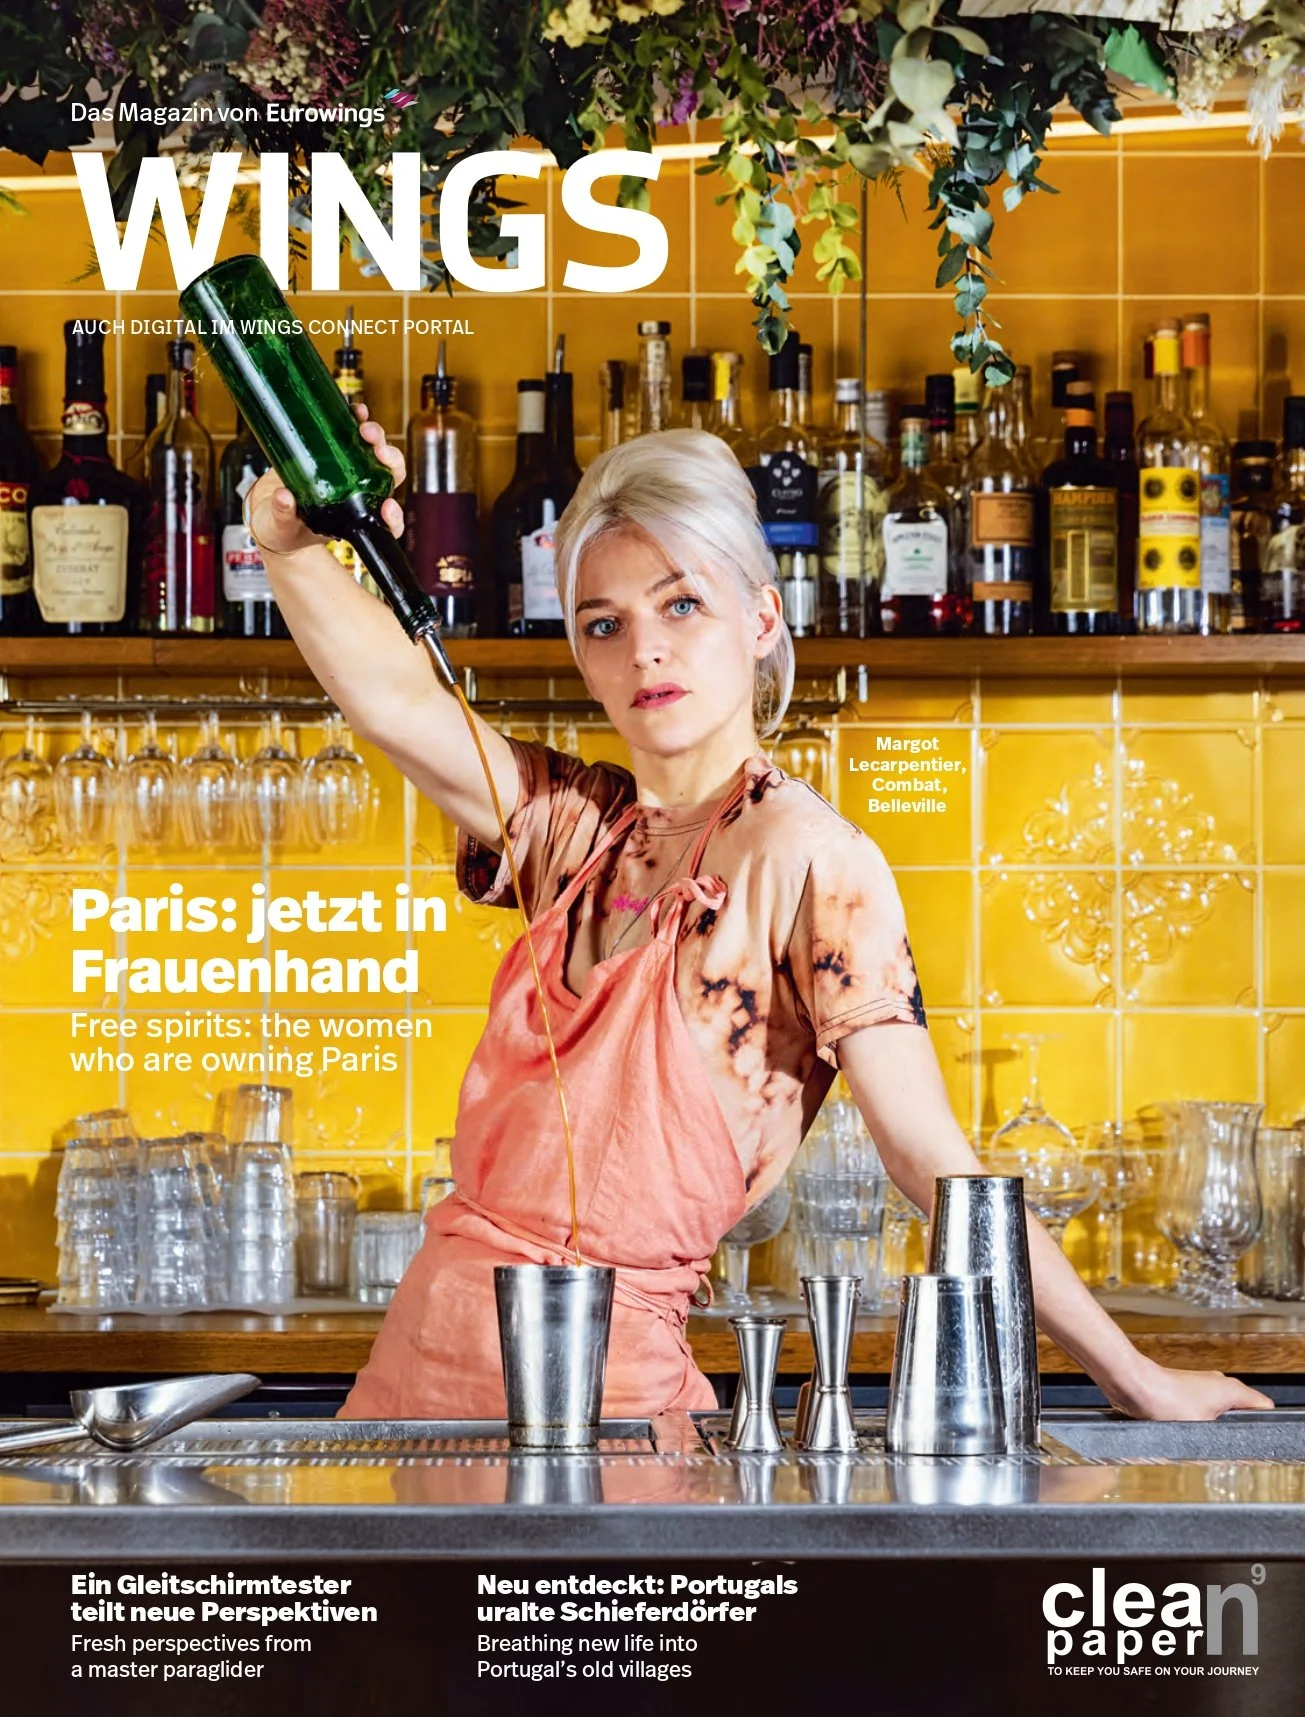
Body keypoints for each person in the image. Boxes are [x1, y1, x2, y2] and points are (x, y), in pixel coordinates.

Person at [246, 412, 1271, 1424]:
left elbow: (934, 1162)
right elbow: (392, 701)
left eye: (681, 603)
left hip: (609, 1406)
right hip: (409, 1390)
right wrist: (288, 542)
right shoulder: (577, 833)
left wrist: (1130, 1373)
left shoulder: (813, 859)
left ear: (763, 619)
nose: (646, 650)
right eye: (604, 624)